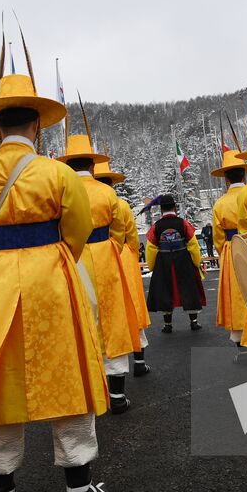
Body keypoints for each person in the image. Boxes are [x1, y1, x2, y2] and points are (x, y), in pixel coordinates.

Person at [0, 45, 113, 492]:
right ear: (37, 125)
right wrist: (50, 258)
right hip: (52, 280)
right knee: (67, 377)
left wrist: (0, 262)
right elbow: (77, 230)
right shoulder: (58, 173)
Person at [59, 126, 142, 413]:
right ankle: (116, 393)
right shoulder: (108, 192)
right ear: (93, 165)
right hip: (105, 256)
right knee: (112, 320)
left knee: (79, 319)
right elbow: (119, 231)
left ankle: (85, 390)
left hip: (73, 258)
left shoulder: (62, 190)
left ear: (68, 165)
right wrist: (109, 248)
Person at [95, 160, 151, 375]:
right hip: (122, 255)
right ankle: (139, 360)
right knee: (132, 308)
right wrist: (131, 253)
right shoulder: (121, 204)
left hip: (96, 256)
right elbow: (132, 236)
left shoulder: (84, 199)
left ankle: (105, 367)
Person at [210, 148, 247, 364]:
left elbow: (218, 237)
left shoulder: (220, 204)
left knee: (238, 297)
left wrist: (224, 252)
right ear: (244, 175)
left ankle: (242, 350)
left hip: (232, 249)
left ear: (226, 179)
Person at [144, 195, 205, 332]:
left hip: (163, 262)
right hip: (183, 260)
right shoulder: (183, 223)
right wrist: (196, 262)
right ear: (175, 208)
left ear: (161, 210)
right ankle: (194, 322)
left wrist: (152, 266)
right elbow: (193, 244)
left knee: (165, 290)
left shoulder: (156, 226)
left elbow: (150, 247)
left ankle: (168, 325)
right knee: (189, 289)